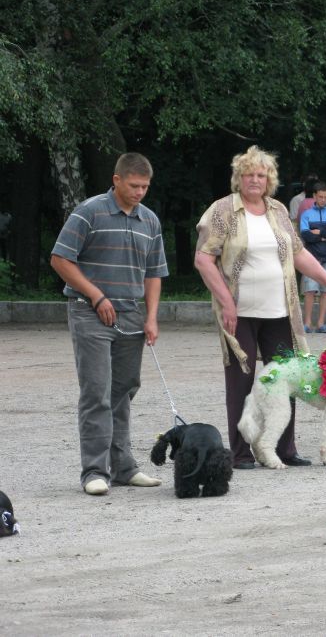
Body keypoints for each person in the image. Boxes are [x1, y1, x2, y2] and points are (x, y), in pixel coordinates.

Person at [194, 146, 326, 470]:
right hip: (238, 313)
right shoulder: (222, 210)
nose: (255, 180)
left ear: (269, 179)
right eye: (249, 174)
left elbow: (299, 254)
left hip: (281, 313)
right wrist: (226, 303)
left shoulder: (278, 210)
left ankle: (284, 449)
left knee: (285, 378)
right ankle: (241, 452)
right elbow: (203, 259)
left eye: (261, 175)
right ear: (239, 178)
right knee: (241, 381)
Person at [49, 152, 168, 496]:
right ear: (117, 180)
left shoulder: (150, 220)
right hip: (89, 312)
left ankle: (124, 468)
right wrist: (96, 296)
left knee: (124, 390)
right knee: (97, 392)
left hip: (131, 315)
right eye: (134, 185)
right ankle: (94, 471)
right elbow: (60, 258)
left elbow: (154, 273)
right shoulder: (89, 211)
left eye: (145, 186)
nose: (140, 192)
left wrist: (151, 317)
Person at [300, 182, 326, 333]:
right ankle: (307, 323)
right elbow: (306, 235)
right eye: (320, 197)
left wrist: (318, 232)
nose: (323, 200)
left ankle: (321, 323)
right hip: (311, 258)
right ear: (314, 196)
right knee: (310, 290)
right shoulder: (306, 214)